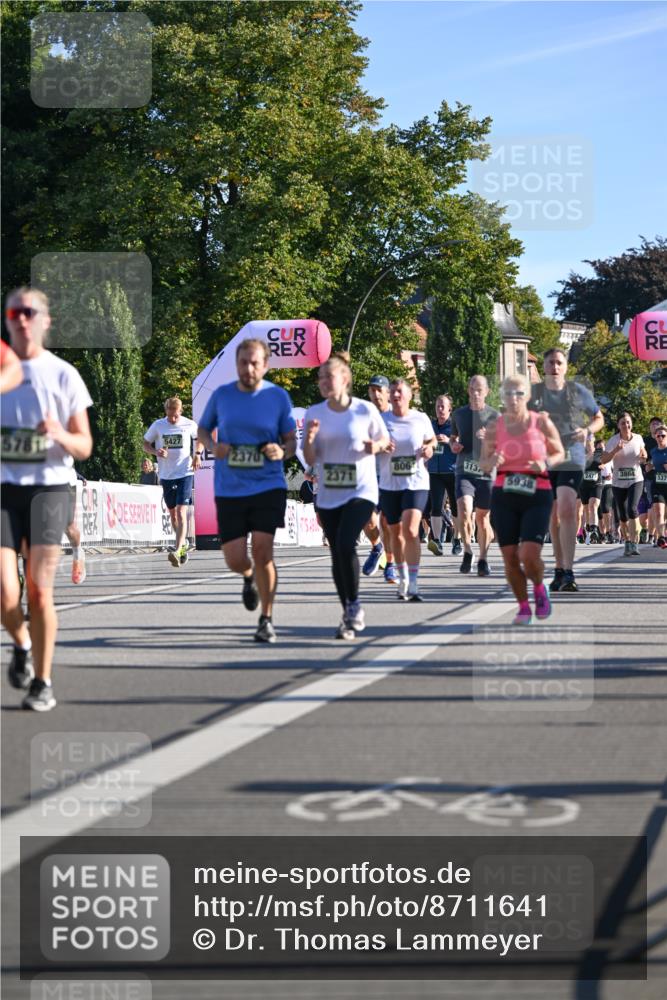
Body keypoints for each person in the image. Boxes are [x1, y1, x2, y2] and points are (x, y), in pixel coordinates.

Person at [1, 287, 93, 711]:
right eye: (15, 312)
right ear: (7, 319)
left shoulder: (62, 374)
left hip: (48, 489)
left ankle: (42, 679)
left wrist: (58, 434)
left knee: (38, 591)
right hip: (4, 490)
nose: (22, 319)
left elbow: (85, 446)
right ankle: (20, 643)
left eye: (30, 312)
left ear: (45, 321)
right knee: (5, 595)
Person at [197, 338, 296, 643]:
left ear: (265, 365)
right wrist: (213, 445)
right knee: (235, 559)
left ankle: (266, 618)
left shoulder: (278, 397)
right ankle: (248, 576)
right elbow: (203, 430)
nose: (248, 368)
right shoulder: (222, 396)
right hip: (230, 488)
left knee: (263, 551)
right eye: (243, 362)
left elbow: (291, 441)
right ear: (237, 364)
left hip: (268, 484)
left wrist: (282, 452)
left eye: (254, 363)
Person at [303, 353, 389, 639]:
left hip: (361, 489)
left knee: (344, 542)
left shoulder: (364, 410)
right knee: (337, 553)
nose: (325, 382)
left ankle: (352, 608)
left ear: (346, 380)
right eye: (321, 378)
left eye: (331, 376)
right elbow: (309, 456)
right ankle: (349, 609)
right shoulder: (314, 412)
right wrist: (312, 439)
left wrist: (374, 446)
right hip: (329, 492)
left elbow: (385, 439)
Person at [480, 375, 564, 625]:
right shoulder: (496, 426)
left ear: (527, 396)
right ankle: (524, 606)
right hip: (504, 493)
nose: (513, 398)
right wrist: (491, 462)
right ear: (502, 397)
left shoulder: (542, 422)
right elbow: (484, 463)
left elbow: (559, 451)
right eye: (508, 393)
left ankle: (539, 587)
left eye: (518, 393)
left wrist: (546, 462)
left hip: (537, 492)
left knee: (528, 554)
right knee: (509, 557)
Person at [528, 348, 604, 592]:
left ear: (566, 366)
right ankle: (559, 568)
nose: (555, 367)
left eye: (559, 362)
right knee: (552, 515)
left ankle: (569, 571)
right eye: (551, 363)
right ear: (544, 367)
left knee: (568, 505)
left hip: (572, 455)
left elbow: (598, 418)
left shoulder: (577, 391)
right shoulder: (536, 394)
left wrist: (587, 431)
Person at [379, 379, 435, 600]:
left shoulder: (420, 419)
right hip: (390, 483)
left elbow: (431, 441)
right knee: (395, 533)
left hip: (416, 482)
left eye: (400, 391)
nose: (396, 395)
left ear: (410, 395)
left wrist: (430, 448)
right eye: (392, 392)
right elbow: (369, 444)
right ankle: (402, 577)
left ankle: (413, 582)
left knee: (411, 530)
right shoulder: (381, 420)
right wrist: (381, 445)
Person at [144, 397, 202, 566]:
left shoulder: (189, 424)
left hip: (185, 472)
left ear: (180, 412)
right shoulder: (158, 425)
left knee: (181, 511)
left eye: (175, 416)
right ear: (166, 412)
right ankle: (182, 545)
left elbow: (200, 440)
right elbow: (145, 444)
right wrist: (155, 452)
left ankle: (177, 551)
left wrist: (197, 455)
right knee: (173, 514)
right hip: (166, 475)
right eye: (170, 416)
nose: (172, 419)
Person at [451, 375, 498, 576]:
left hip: (486, 472)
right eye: (472, 389)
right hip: (464, 470)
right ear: (468, 391)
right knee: (464, 510)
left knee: (483, 518)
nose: (475, 393)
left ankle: (483, 558)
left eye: (479, 389)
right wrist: (453, 445)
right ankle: (468, 550)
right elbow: (453, 437)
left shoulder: (494, 416)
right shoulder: (459, 414)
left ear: (487, 392)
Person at [361, 375, 397, 583]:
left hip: (392, 477)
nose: (375, 394)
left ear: (388, 394)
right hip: (369, 475)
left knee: (387, 523)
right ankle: (377, 547)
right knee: (368, 517)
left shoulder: (397, 416)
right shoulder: (364, 416)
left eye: (379, 390)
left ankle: (390, 565)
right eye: (372, 390)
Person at [599, 412, 647, 556]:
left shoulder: (638, 438)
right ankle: (627, 541)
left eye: (628, 422)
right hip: (618, 483)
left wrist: (644, 457)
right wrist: (616, 450)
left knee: (632, 509)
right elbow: (603, 460)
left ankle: (633, 542)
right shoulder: (614, 440)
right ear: (618, 426)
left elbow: (643, 454)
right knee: (623, 515)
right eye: (622, 423)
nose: (626, 425)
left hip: (636, 479)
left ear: (631, 423)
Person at [426, 393, 462, 556]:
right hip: (434, 471)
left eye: (443, 406)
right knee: (436, 507)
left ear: (449, 409)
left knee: (456, 508)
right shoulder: (430, 425)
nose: (440, 409)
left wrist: (448, 440)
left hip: (452, 471)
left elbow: (462, 445)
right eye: (437, 406)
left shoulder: (455, 425)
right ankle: (437, 541)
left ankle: (457, 540)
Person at [647, 425, 667, 548]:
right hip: (658, 485)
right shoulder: (653, 451)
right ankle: (661, 538)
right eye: (658, 435)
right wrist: (649, 466)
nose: (660, 438)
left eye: (663, 435)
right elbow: (651, 463)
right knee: (658, 512)